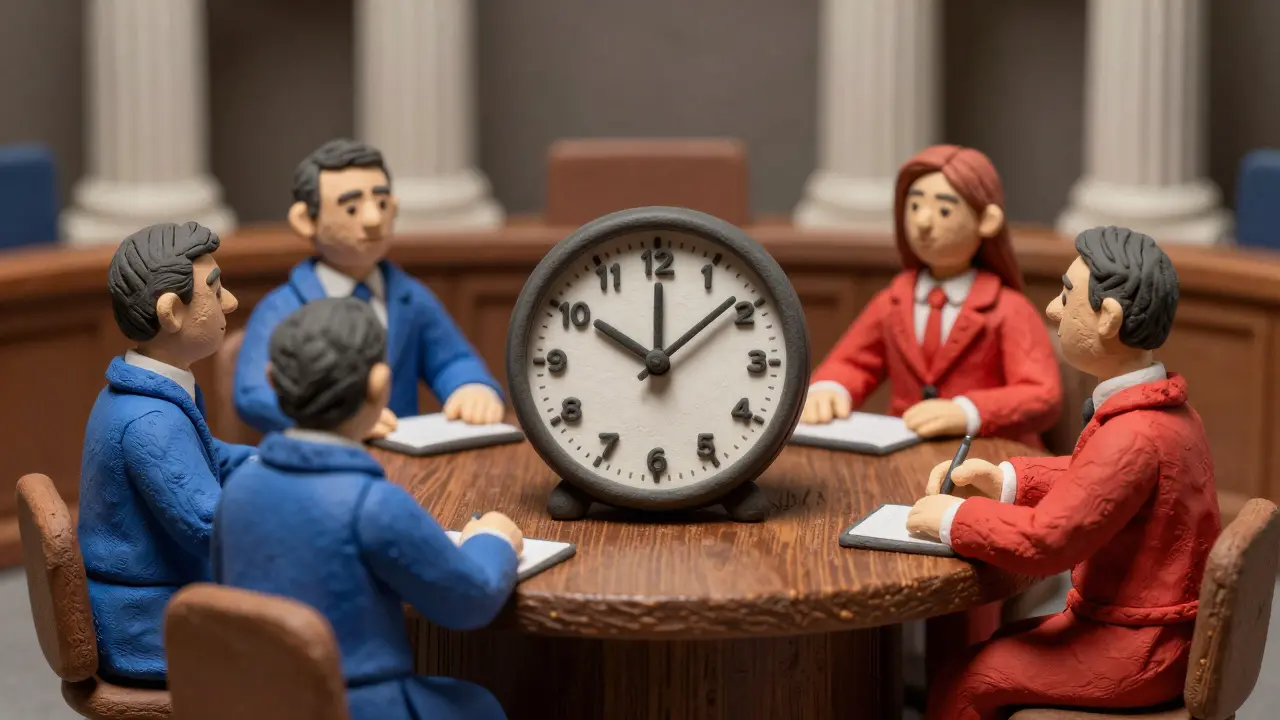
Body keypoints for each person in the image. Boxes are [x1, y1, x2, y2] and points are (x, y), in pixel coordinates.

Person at [906, 226, 1220, 719]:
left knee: (964, 681)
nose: (1053, 310)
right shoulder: (1163, 411)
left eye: (1067, 296)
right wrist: (1007, 480)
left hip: (1141, 648)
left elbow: (1049, 541)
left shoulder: (1133, 435)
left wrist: (955, 519)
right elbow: (1090, 479)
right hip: (1150, 633)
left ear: (1108, 318)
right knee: (1005, 641)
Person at [215, 297, 522, 720]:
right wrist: (493, 539)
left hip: (256, 701)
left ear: (272, 379)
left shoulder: (237, 487)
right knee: (479, 706)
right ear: (380, 385)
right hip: (353, 706)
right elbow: (468, 600)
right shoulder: (373, 504)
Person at [79, 222, 256, 685]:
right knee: (311, 632)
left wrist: (267, 465)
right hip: (149, 626)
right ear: (172, 311)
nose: (230, 302)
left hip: (152, 604)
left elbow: (205, 453)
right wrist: (281, 503)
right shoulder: (151, 422)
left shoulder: (145, 394)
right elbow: (207, 527)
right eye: (215, 292)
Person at [233, 138, 504, 438]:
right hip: (320, 463)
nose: (374, 220)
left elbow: (451, 358)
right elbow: (252, 392)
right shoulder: (283, 307)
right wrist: (337, 420)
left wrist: (471, 387)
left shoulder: (408, 298)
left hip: (404, 459)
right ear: (305, 220)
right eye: (351, 209)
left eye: (382, 203)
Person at [802, 145, 1061, 447]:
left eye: (944, 210)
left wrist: (968, 411)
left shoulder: (1008, 308)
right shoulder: (893, 300)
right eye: (914, 207)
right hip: (904, 448)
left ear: (987, 220)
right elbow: (855, 361)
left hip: (986, 451)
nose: (923, 222)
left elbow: (1042, 394)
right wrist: (831, 388)